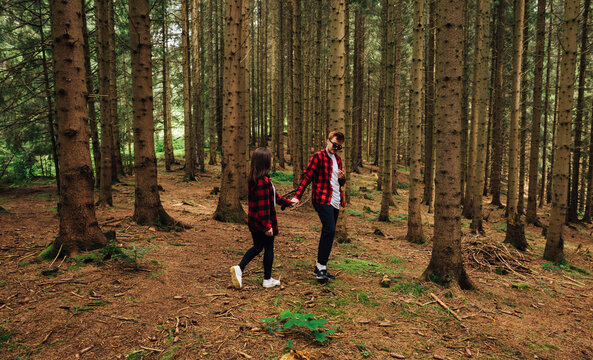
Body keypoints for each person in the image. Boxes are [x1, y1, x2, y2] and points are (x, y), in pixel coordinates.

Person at [230, 147, 292, 289]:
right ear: (264, 161)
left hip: (255, 221)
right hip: (261, 222)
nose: (272, 160)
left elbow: (274, 197)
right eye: (270, 158)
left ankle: (241, 269)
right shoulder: (262, 182)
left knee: (258, 247)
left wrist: (289, 203)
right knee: (268, 248)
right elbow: (263, 207)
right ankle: (265, 278)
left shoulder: (260, 179)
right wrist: (267, 226)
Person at [291, 131, 346, 282]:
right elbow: (307, 176)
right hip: (322, 198)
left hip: (335, 200)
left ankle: (321, 267)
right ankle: (320, 268)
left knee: (329, 233)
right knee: (330, 229)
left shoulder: (338, 160)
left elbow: (340, 183)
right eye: (334, 145)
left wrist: (342, 178)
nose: (335, 148)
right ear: (327, 140)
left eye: (338, 147)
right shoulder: (318, 157)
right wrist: (297, 196)